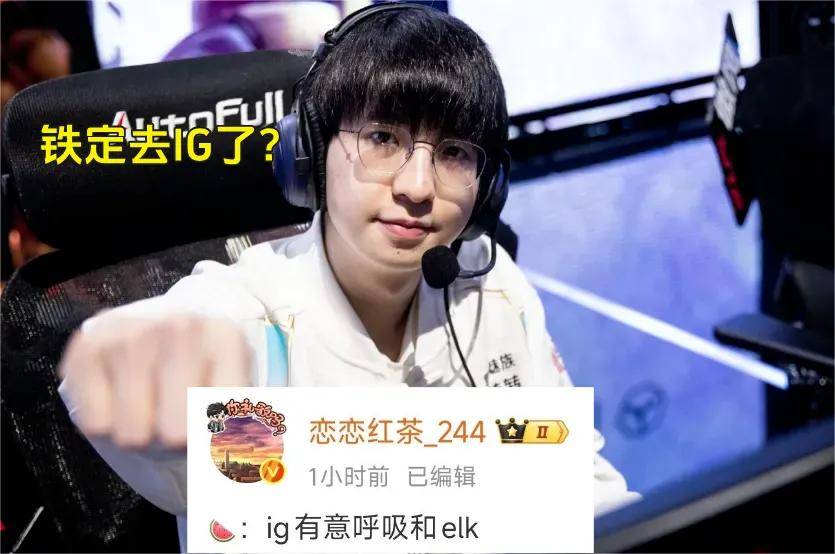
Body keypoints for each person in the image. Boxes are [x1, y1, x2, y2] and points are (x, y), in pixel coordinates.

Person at [57, 3, 639, 548]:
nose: (417, 187)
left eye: (454, 153)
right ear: (310, 154)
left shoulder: (490, 285)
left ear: (488, 188)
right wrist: (129, 363)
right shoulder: (252, 318)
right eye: (383, 139)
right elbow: (130, 369)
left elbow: (577, 479)